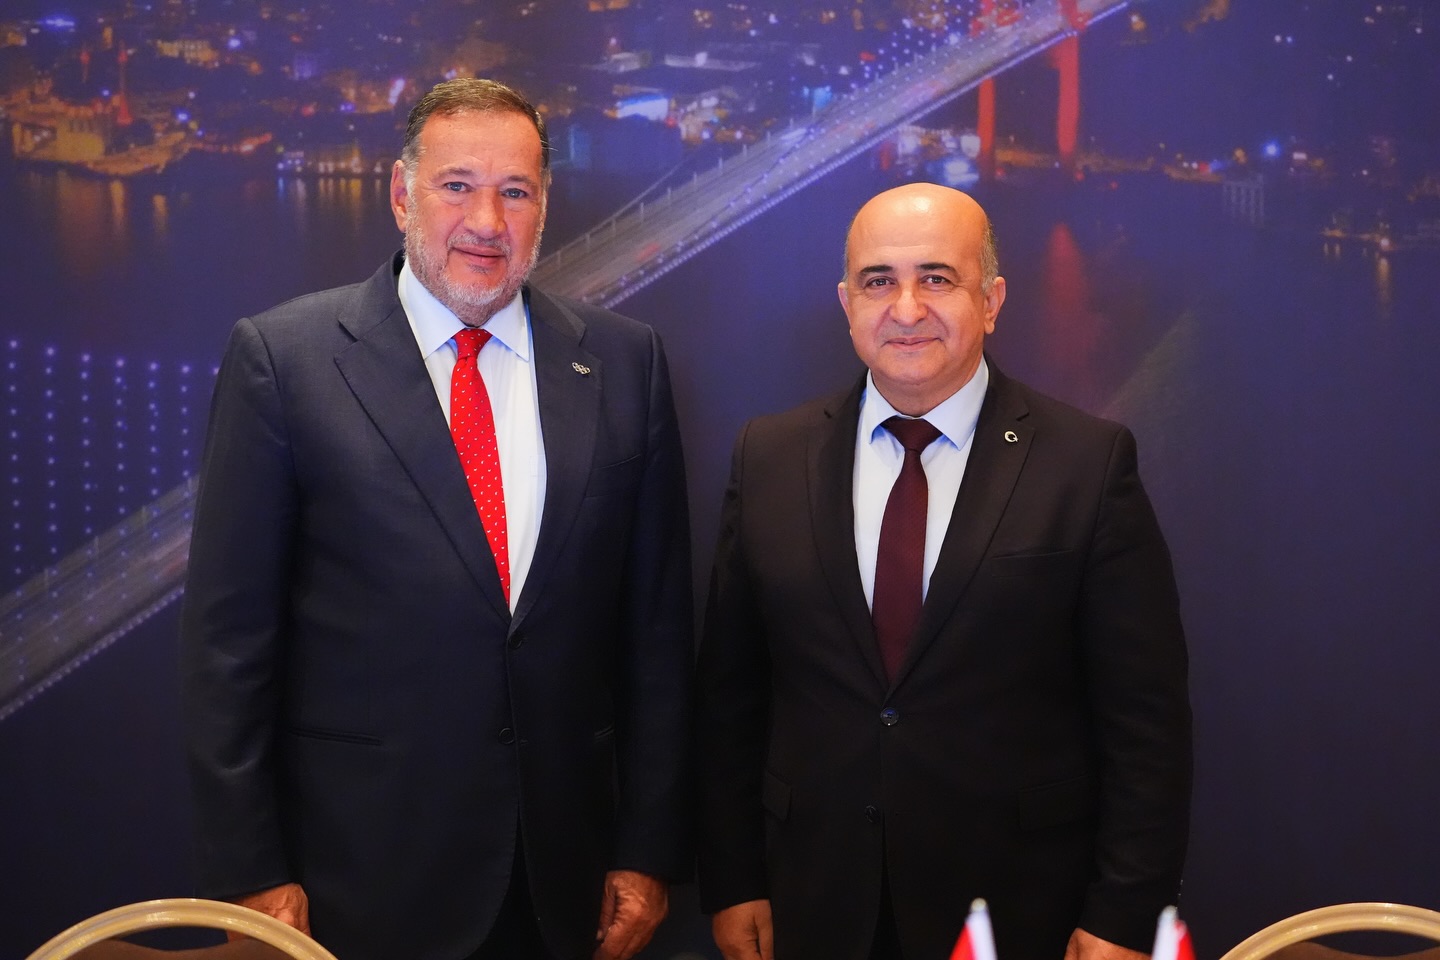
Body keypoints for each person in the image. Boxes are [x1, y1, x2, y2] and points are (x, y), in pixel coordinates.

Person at [180, 78, 693, 960]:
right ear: (400, 194)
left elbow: (656, 635)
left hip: (562, 886)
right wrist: (250, 869)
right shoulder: (285, 361)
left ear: (543, 205)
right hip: (356, 884)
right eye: (457, 185)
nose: (486, 222)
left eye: (515, 191)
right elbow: (228, 646)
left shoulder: (625, 362)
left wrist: (648, 848)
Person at [695, 183, 1191, 960]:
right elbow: (731, 699)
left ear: (990, 301)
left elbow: (1146, 723)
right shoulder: (769, 456)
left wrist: (1125, 914)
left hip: (1019, 911)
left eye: (936, 278)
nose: (906, 308)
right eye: (879, 281)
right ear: (847, 303)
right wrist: (732, 880)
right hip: (813, 902)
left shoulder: (1087, 466)